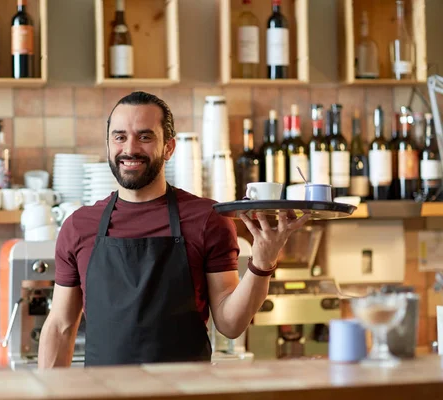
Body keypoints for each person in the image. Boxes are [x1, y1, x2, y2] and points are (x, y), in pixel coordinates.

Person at [38, 91, 310, 368]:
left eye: (145, 137)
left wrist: (263, 263)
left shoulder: (207, 219)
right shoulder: (79, 225)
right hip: (103, 392)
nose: (129, 148)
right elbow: (60, 325)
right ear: (109, 145)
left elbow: (230, 324)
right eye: (119, 137)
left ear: (169, 147)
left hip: (184, 392)